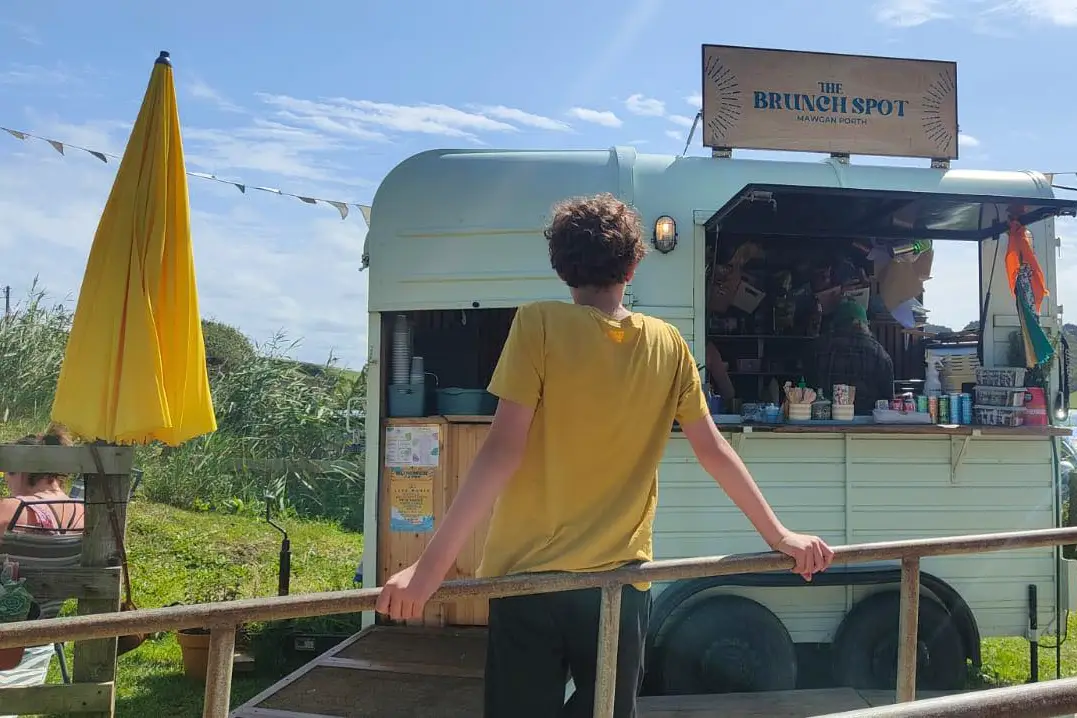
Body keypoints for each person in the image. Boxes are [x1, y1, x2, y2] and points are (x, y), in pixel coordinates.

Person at [376, 193, 834, 717]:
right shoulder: (667, 344)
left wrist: (429, 569)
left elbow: (502, 450)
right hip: (618, 582)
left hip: (528, 581)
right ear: (635, 264)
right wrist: (780, 536)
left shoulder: (538, 325)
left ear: (560, 267)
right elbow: (714, 451)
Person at [0, 425, 84, 707]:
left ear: (21, 470)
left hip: (7, 637)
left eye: (7, 475)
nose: (7, 484)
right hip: (40, 637)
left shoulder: (12, 510)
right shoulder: (86, 513)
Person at [803, 299, 895, 413]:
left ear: (836, 323)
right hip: (866, 423)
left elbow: (807, 388)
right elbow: (888, 399)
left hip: (823, 419)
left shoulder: (817, 347)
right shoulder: (879, 353)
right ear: (864, 324)